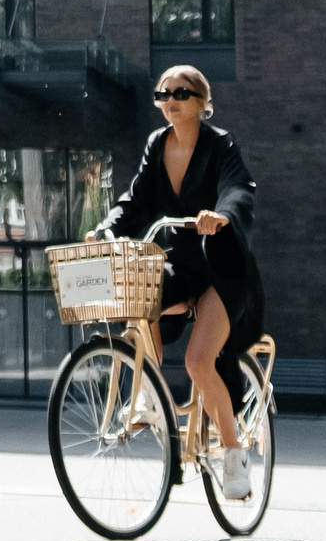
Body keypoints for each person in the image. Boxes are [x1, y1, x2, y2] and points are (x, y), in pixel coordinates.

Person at [97, 64, 267, 500]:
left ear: (202, 102)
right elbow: (135, 199)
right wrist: (107, 230)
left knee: (197, 362)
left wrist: (222, 215)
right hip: (180, 262)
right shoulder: (158, 144)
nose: (170, 99)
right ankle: (149, 395)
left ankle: (233, 454)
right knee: (141, 299)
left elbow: (239, 187)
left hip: (220, 267)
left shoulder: (220, 144)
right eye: (162, 93)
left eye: (181, 92)